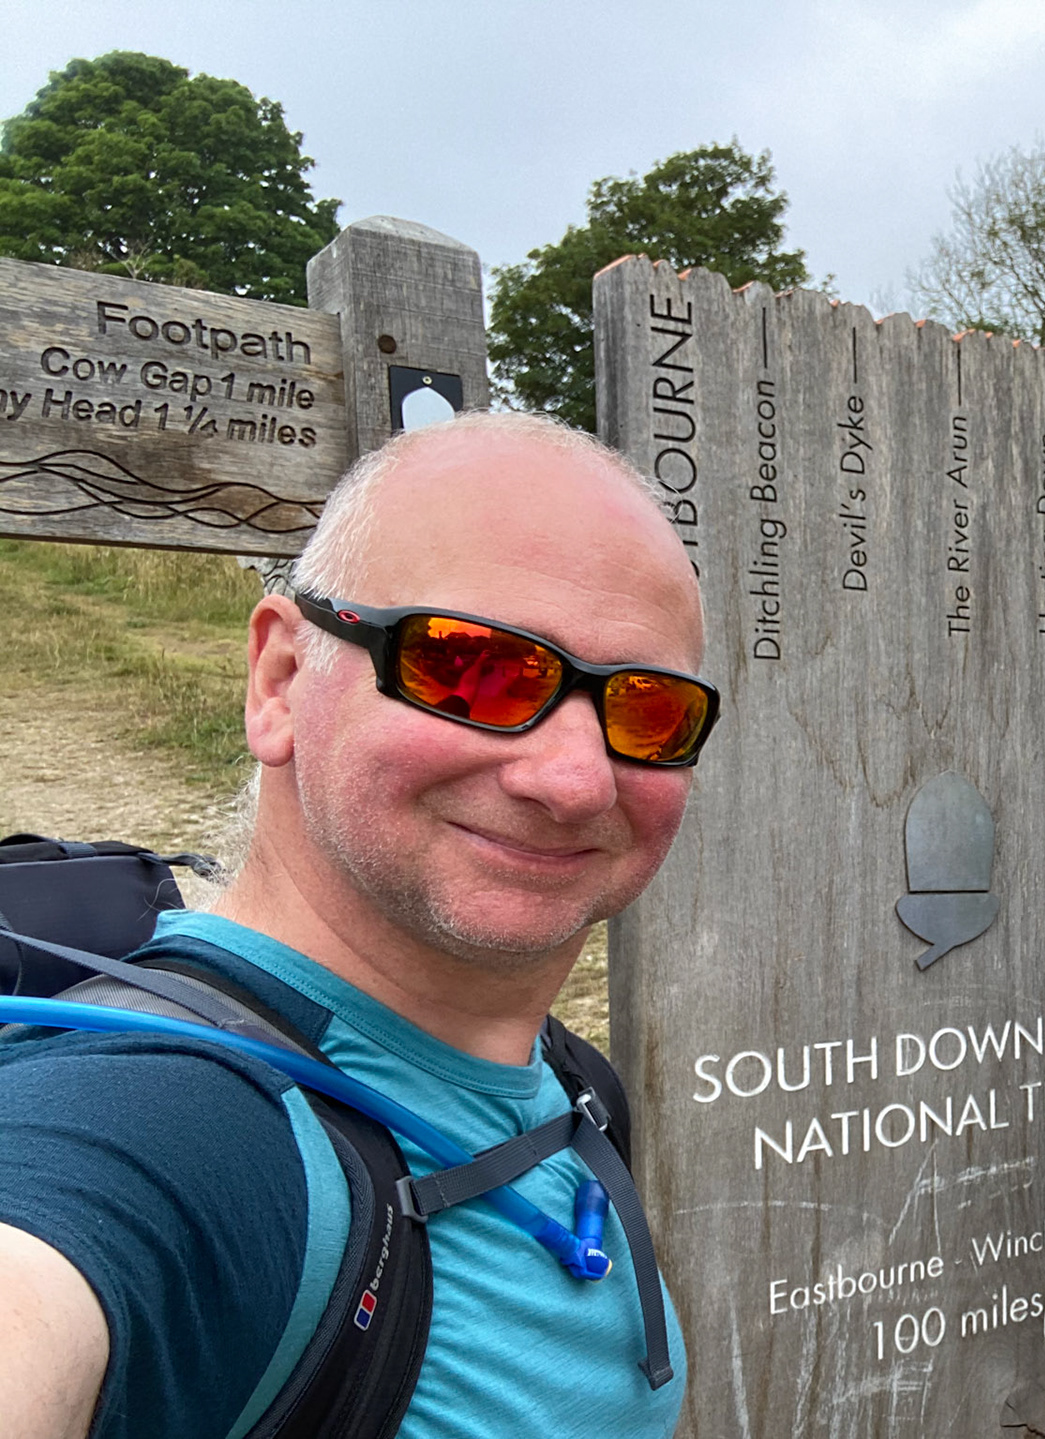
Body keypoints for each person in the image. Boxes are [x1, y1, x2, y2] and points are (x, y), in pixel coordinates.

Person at [0, 412, 715, 1438]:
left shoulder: (572, 1087)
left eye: (648, 710)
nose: (573, 778)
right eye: (475, 669)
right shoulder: (167, 1127)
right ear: (281, 680)